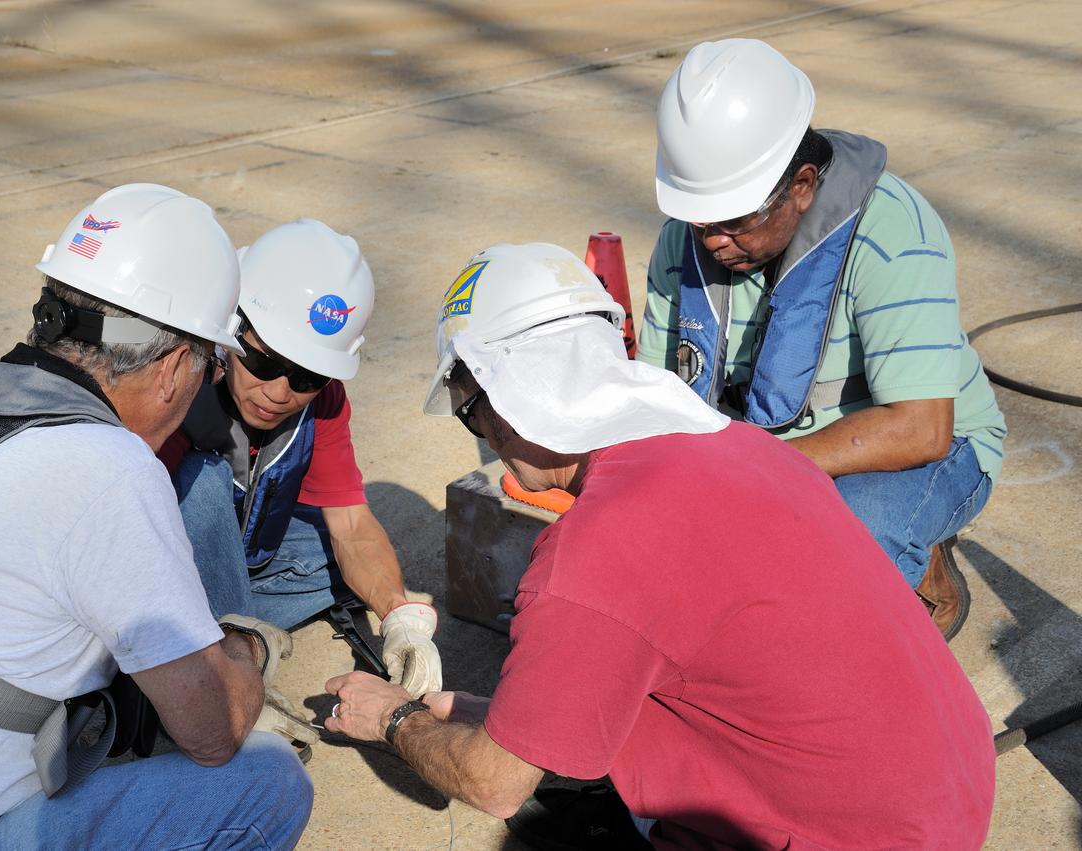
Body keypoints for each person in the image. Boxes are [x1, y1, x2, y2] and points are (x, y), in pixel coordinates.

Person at [326, 242, 996, 850]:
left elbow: (493, 783)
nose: (484, 436)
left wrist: (394, 717)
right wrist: (514, 724)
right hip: (947, 801)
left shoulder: (594, 554)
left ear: (504, 396)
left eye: (471, 411)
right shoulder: (746, 450)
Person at [0, 184, 312, 850]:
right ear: (170, 369)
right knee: (266, 783)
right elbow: (211, 732)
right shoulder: (111, 468)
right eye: (212, 364)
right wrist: (244, 648)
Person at [637, 39, 1006, 639]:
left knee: (848, 544)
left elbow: (922, 428)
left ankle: (914, 566)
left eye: (734, 219)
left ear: (803, 185)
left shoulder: (894, 233)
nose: (713, 241)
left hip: (921, 452)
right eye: (700, 220)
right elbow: (657, 399)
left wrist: (759, 476)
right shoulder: (684, 243)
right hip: (766, 446)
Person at [163, 218, 443, 697]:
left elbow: (350, 524)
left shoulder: (324, 402)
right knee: (203, 478)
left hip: (237, 554)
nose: (279, 393)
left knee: (339, 556)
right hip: (160, 565)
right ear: (232, 325)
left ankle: (210, 629)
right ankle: (221, 660)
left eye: (307, 376)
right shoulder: (178, 379)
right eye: (264, 361)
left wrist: (400, 620)